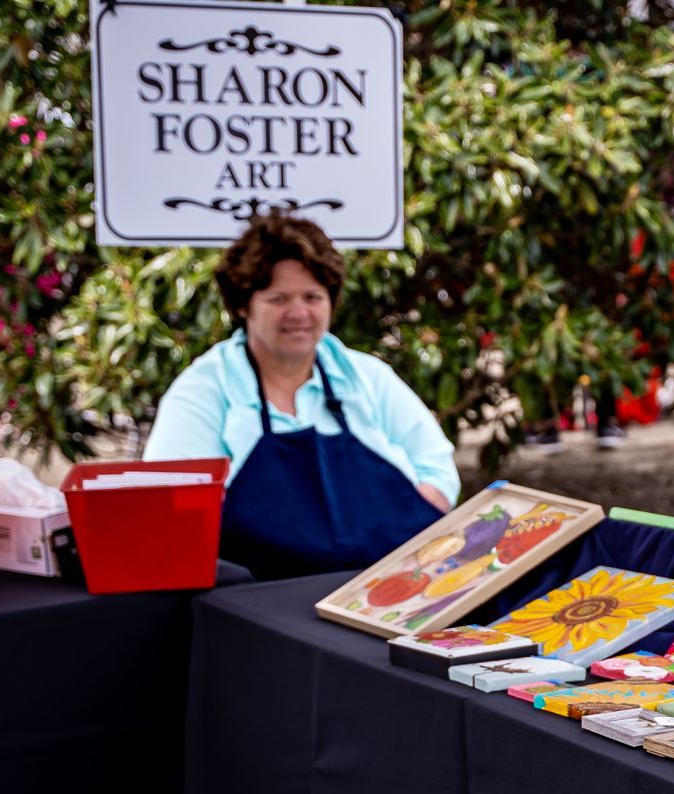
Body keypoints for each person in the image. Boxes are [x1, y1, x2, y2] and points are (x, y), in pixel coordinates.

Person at [146, 214, 459, 579]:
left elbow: (436, 468)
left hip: (385, 589)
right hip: (260, 605)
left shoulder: (367, 377)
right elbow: (171, 502)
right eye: (279, 298)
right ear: (244, 304)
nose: (299, 313)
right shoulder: (204, 390)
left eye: (312, 297)